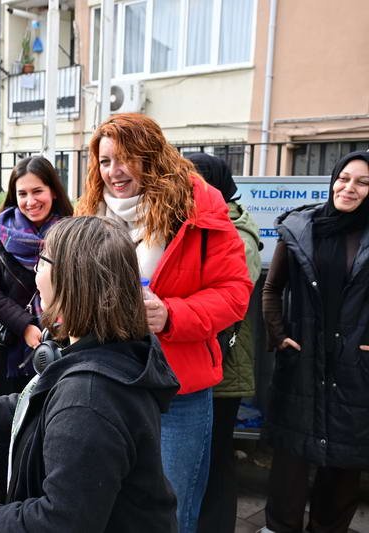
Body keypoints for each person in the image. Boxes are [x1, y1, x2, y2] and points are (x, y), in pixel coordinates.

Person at [0, 216, 180, 532]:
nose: (34, 273)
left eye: (41, 262)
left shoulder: (88, 400)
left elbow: (60, 522)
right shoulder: (109, 353)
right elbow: (30, 408)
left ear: (70, 280)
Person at [75, 113, 253, 533]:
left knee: (171, 512)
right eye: (104, 161)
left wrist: (170, 314)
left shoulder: (198, 208)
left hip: (178, 389)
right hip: (105, 382)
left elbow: (234, 292)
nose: (114, 172)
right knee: (109, 505)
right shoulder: (88, 212)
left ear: (150, 155)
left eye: (125, 158)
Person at [260, 150, 369, 533]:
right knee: (290, 462)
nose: (349, 188)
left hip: (354, 366)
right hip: (302, 361)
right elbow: (272, 289)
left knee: (342, 466)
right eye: (344, 178)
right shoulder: (300, 228)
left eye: (362, 182)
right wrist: (279, 335)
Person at [0, 155, 74, 501]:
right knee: (11, 437)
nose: (30, 201)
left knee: (54, 436)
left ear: (54, 191)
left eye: (38, 191)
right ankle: (10, 509)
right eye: (22, 193)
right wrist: (26, 325)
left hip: (62, 352)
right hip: (12, 353)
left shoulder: (71, 232)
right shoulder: (2, 232)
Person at [188, 153, 262, 533]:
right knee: (196, 461)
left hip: (223, 367)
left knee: (215, 460)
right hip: (197, 361)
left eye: (193, 180)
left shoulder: (237, 233)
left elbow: (229, 301)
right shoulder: (199, 222)